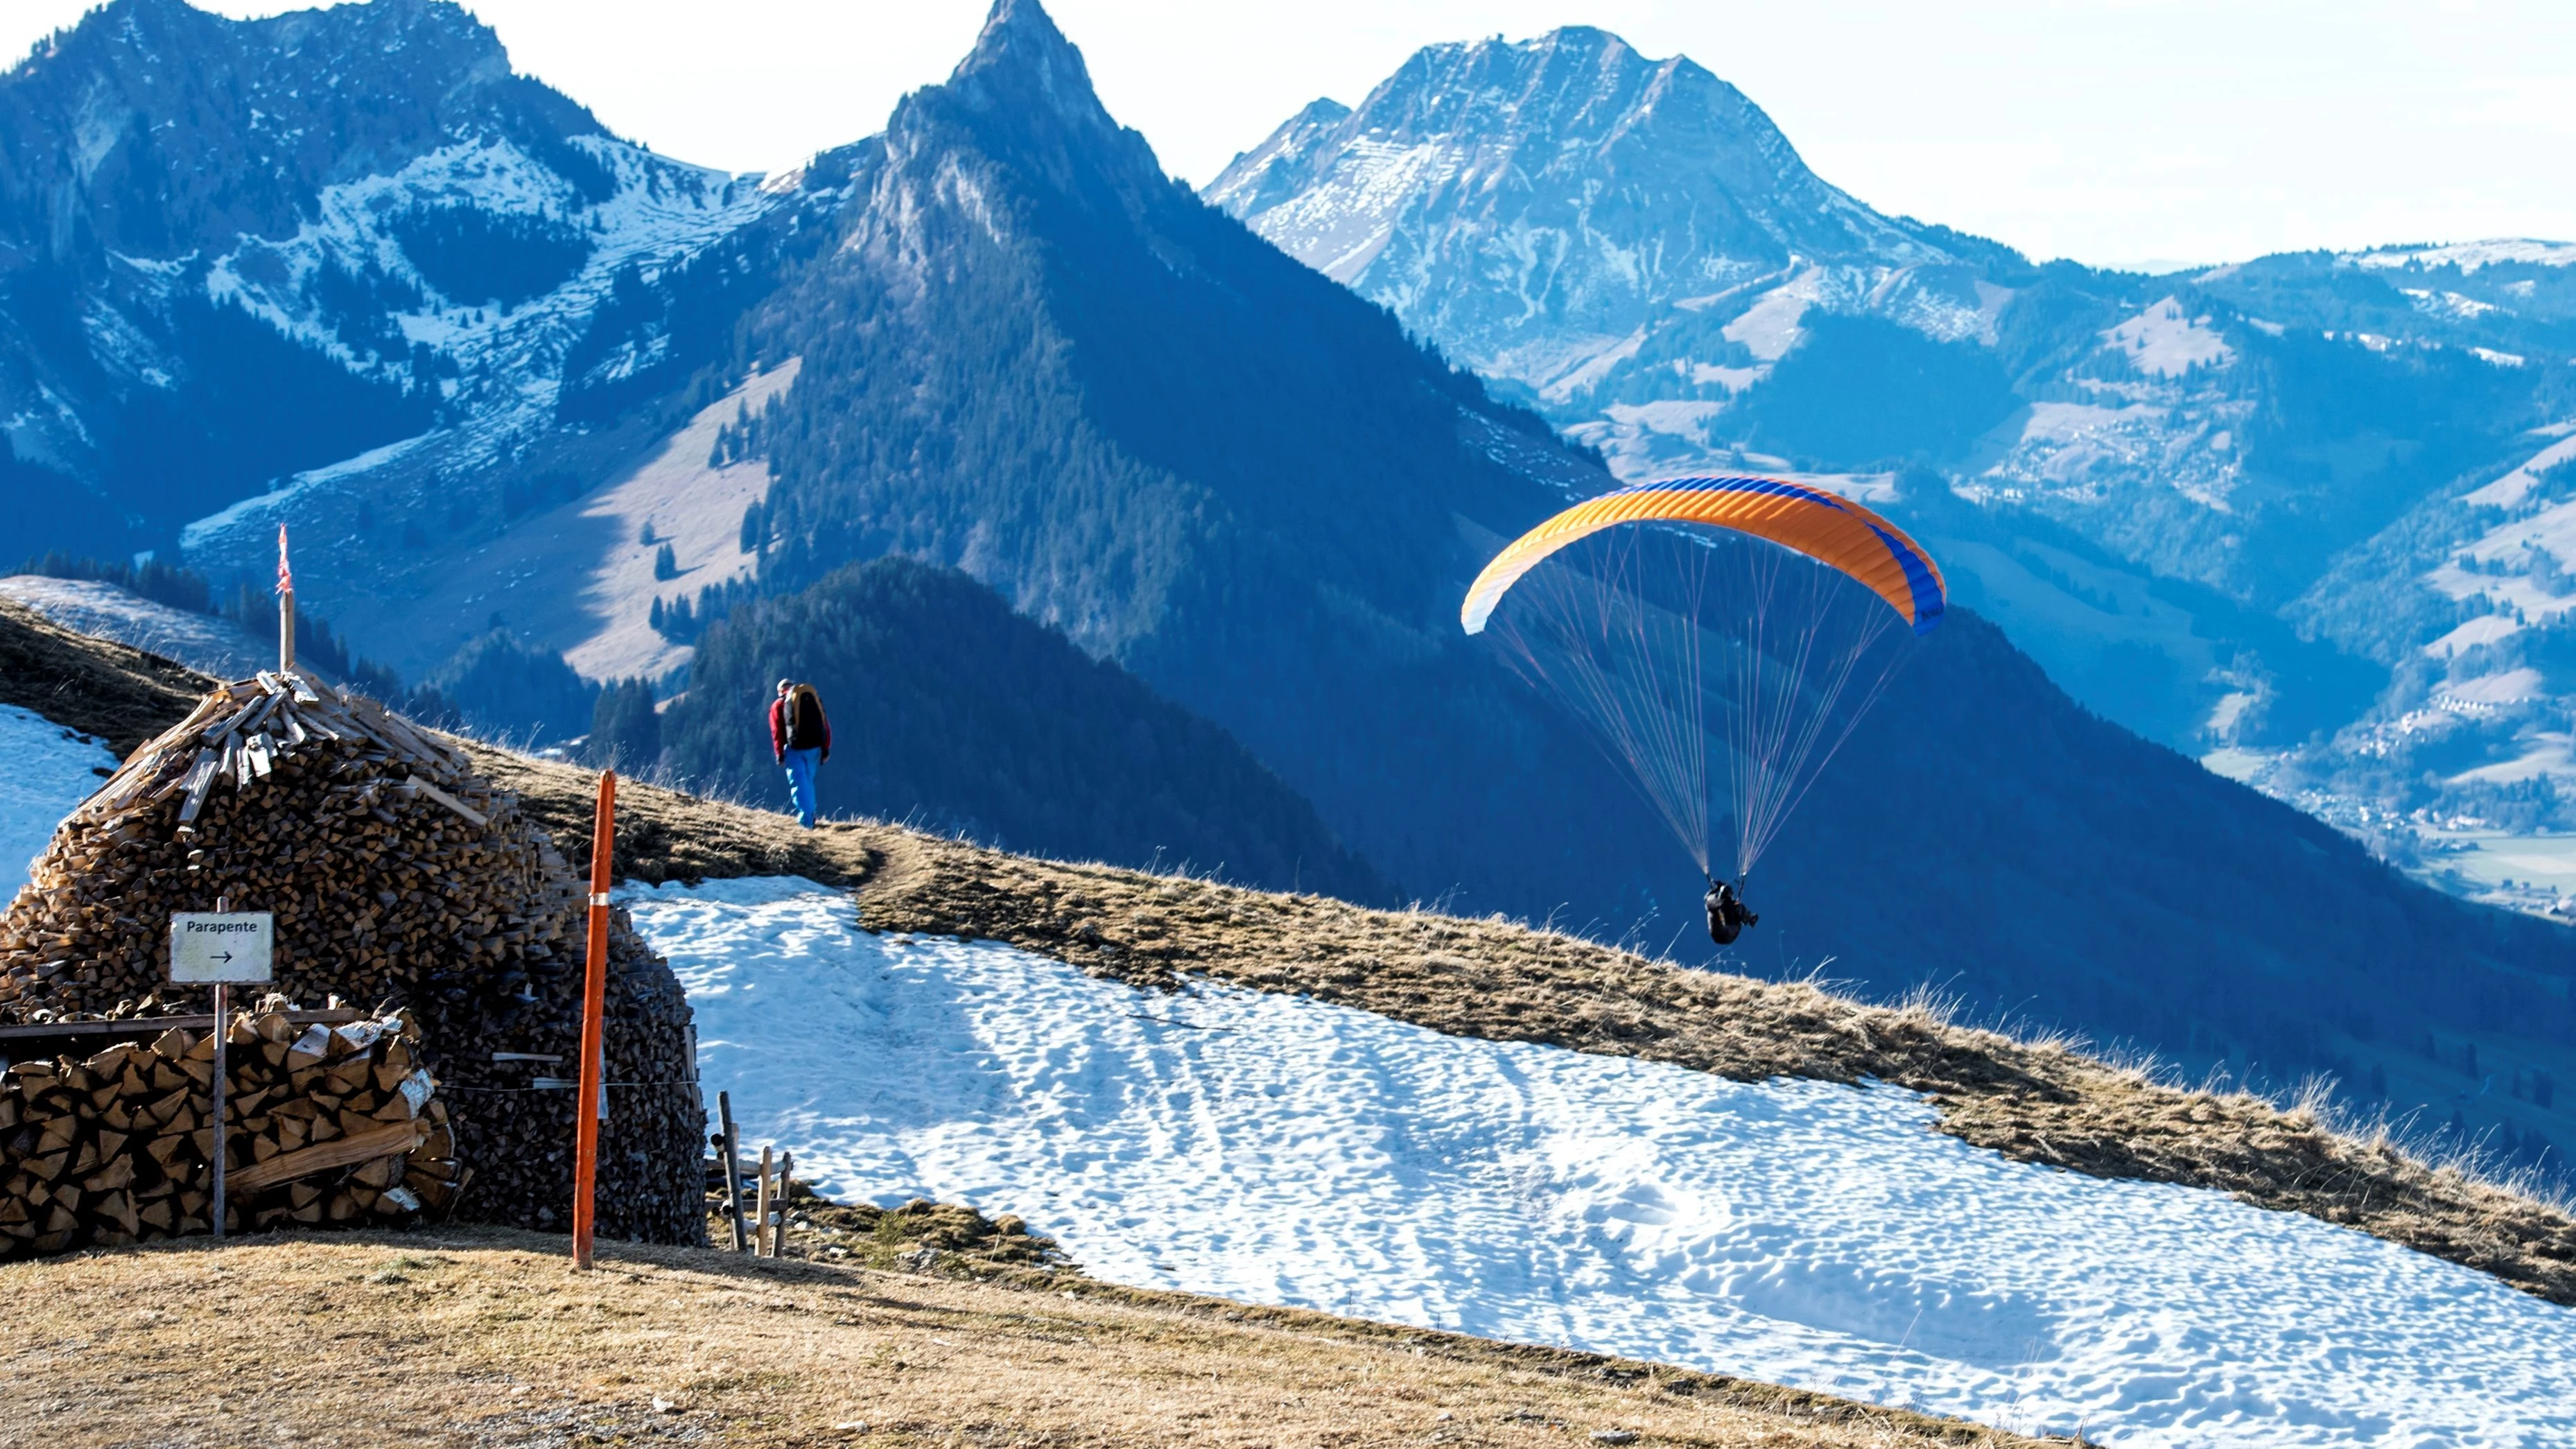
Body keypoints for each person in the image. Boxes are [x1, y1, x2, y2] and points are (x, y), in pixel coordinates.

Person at [769, 678, 831, 828]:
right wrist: (825, 748)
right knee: (808, 783)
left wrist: (779, 754)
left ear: (780, 692)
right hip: (815, 748)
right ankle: (810, 815)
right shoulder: (810, 699)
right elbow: (825, 725)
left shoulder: (779, 705)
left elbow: (777, 732)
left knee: (799, 784)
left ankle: (806, 822)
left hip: (794, 750)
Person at [1706, 878, 1758, 946]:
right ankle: (1750, 918)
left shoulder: (1711, 900)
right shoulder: (1727, 904)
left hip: (1715, 936)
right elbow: (1730, 906)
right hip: (1728, 935)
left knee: (1736, 908)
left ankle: (1749, 918)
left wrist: (1717, 888)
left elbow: (1707, 896)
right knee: (1738, 908)